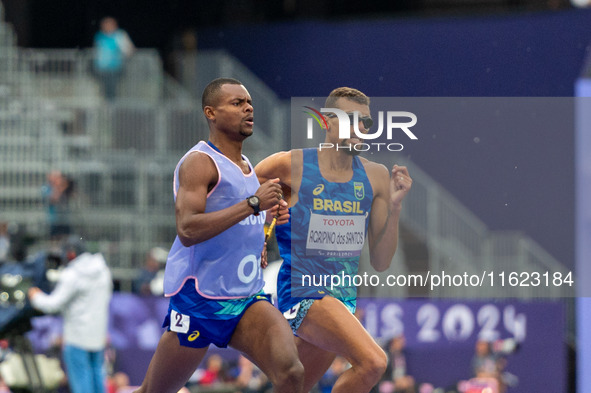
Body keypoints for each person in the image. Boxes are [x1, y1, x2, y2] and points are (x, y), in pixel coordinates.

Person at [134, 78, 303, 393]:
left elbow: (239, 218)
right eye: (237, 103)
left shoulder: (245, 165)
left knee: (291, 373)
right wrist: (253, 204)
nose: (248, 107)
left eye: (249, 102)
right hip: (201, 300)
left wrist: (261, 235)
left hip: (246, 296)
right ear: (210, 112)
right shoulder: (199, 162)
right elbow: (187, 230)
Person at [254, 87, 413, 393]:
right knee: (374, 363)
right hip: (303, 291)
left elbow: (380, 261)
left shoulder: (376, 176)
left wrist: (394, 208)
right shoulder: (290, 164)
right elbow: (244, 193)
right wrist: (260, 234)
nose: (359, 128)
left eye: (365, 122)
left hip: (342, 298)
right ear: (327, 122)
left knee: (292, 387)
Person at [28, 235, 113, 393]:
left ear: (71, 253)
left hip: (77, 338)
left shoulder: (72, 274)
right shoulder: (103, 271)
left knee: (81, 384)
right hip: (97, 336)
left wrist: (35, 296)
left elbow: (53, 304)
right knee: (97, 380)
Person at [93, 16, 135, 101]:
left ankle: (111, 110)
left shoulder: (119, 35)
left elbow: (129, 49)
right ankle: (106, 107)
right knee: (103, 90)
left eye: (108, 24)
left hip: (114, 68)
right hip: (100, 69)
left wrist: (124, 55)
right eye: (104, 24)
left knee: (112, 91)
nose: (106, 26)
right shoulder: (99, 36)